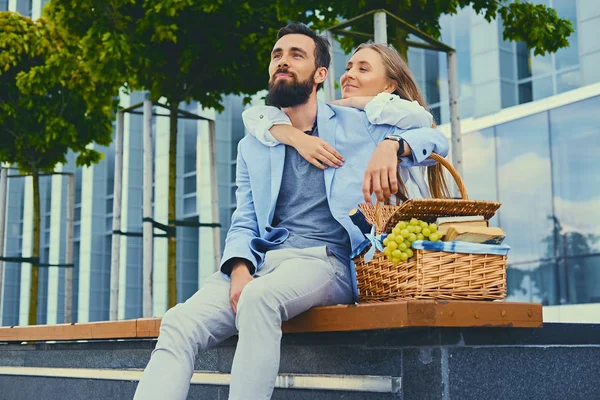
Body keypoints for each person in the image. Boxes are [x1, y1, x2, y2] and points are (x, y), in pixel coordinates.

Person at [133, 23, 448, 400]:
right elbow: (245, 219)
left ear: (319, 75)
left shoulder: (359, 122)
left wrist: (392, 146)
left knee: (259, 298)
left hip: (325, 261)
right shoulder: (254, 145)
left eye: (296, 55)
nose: (283, 61)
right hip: (265, 263)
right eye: (277, 55)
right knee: (178, 322)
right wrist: (238, 270)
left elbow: (435, 138)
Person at [242, 41, 450, 202]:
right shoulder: (333, 119)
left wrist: (389, 143)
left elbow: (424, 122)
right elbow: (254, 116)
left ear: (388, 86)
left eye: (363, 69)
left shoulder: (393, 121)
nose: (349, 75)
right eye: (348, 68)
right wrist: (297, 138)